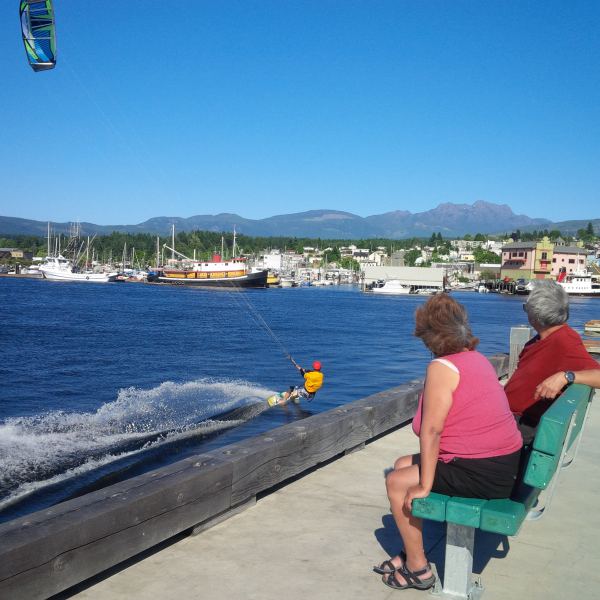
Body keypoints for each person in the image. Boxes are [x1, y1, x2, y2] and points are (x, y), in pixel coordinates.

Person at [374, 294, 522, 591]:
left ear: (430, 337)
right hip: (502, 463)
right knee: (404, 464)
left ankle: (418, 569)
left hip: (483, 472)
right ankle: (411, 549)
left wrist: (425, 485)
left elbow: (431, 431)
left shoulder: (442, 367)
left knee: (396, 482)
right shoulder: (476, 359)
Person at [505, 280, 600, 444]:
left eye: (525, 307)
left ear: (536, 315)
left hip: (524, 426)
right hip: (513, 418)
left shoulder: (565, 341)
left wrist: (566, 376)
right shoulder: (542, 338)